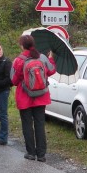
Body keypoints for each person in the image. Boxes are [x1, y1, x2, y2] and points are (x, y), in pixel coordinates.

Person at [11, 33, 56, 162]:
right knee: (40, 124)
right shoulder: (42, 57)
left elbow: (13, 80)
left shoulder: (18, 60)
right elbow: (51, 70)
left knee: (27, 124)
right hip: (41, 96)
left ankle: (31, 152)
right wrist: (51, 58)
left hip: (24, 96)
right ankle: (41, 154)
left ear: (22, 46)